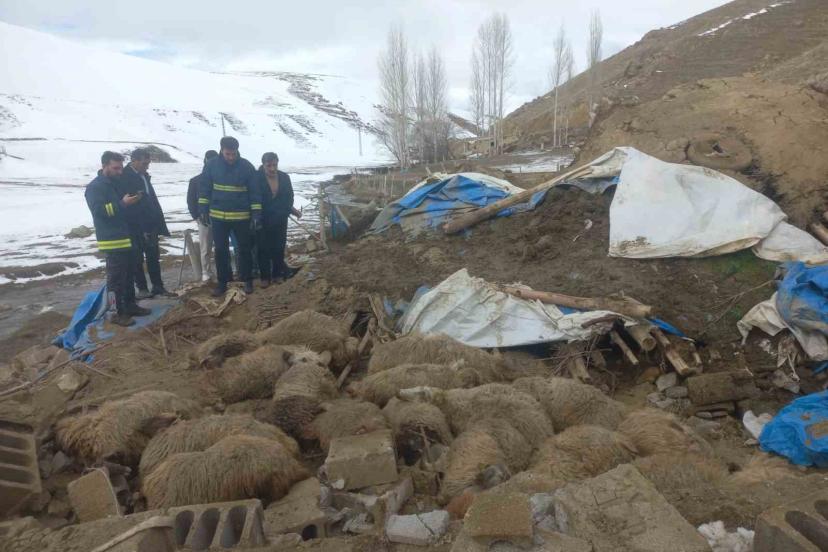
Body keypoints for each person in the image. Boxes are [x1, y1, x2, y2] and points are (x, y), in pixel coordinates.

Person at [84, 151, 151, 327]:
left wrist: (135, 199)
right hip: (112, 240)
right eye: (115, 168)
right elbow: (99, 211)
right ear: (104, 166)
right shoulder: (95, 187)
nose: (120, 172)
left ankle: (129, 305)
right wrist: (123, 204)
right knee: (115, 280)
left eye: (121, 168)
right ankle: (114, 313)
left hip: (127, 237)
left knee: (129, 275)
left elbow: (124, 206)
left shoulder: (117, 183)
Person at [198, 136, 261, 296]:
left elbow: (255, 192)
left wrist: (256, 214)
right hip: (219, 218)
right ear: (221, 150)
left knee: (244, 250)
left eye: (233, 154)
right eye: (228, 154)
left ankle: (247, 280)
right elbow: (204, 189)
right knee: (221, 251)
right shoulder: (211, 166)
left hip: (242, 218)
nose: (231, 157)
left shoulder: (246, 166)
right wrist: (203, 209)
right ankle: (222, 282)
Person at [119, 148, 174, 298]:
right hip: (135, 225)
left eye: (148, 163)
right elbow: (128, 204)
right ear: (134, 161)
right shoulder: (124, 177)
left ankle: (158, 286)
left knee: (153, 256)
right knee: (137, 258)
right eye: (144, 163)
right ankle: (142, 288)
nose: (147, 166)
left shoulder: (144, 176)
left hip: (151, 223)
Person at [256, 152, 297, 287]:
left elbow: (290, 197)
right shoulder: (256, 178)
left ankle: (277, 274)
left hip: (280, 218)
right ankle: (265, 277)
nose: (272, 168)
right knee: (263, 248)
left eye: (275, 165)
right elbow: (254, 197)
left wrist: (284, 211)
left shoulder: (284, 177)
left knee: (279, 247)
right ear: (263, 165)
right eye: (269, 166)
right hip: (263, 219)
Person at [187, 150, 219, 282]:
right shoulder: (195, 181)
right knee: (205, 246)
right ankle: (206, 271)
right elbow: (191, 200)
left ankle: (224, 270)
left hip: (220, 217)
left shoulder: (220, 179)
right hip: (204, 218)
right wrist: (196, 216)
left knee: (221, 245)